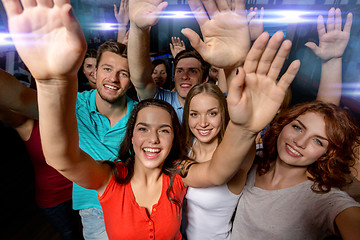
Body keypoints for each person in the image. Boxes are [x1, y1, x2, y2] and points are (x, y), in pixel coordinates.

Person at [1, 0, 301, 239]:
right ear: (130, 137)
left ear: (176, 139)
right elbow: (62, 158)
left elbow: (219, 171)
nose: (153, 138)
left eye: (165, 130)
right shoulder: (110, 180)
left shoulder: (177, 176)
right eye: (143, 128)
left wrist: (245, 126)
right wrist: (54, 80)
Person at [0, 19, 136, 240]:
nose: (113, 78)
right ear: (95, 73)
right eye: (107, 69)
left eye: (123, 73)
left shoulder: (141, 114)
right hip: (93, 212)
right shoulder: (75, 105)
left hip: (133, 205)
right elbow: (17, 97)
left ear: (131, 81)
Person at [230, 101, 360, 239]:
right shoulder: (253, 160)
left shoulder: (325, 199)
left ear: (327, 154)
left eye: (318, 141)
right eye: (298, 128)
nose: (300, 142)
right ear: (284, 124)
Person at [0, 70, 83, 240]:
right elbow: (9, 100)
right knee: (70, 235)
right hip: (54, 200)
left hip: (85, 190)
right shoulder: (27, 123)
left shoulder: (78, 110)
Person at [182, 82, 254, 240]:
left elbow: (246, 129)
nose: (203, 123)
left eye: (212, 113)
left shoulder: (236, 157)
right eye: (194, 114)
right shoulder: (185, 147)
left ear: (224, 113)